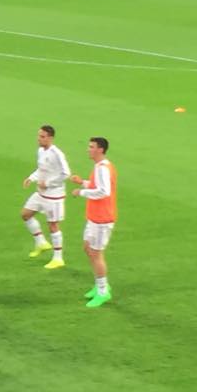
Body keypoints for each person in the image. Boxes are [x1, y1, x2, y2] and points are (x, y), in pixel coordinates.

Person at [70, 137, 117, 308]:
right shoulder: (99, 166)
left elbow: (104, 191)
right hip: (94, 217)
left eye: (91, 147)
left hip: (102, 218)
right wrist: (82, 182)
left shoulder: (103, 168)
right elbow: (96, 184)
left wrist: (81, 192)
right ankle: (100, 285)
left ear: (100, 150)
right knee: (88, 248)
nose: (88, 149)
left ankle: (103, 291)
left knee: (96, 254)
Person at [21, 125, 71, 269]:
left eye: (42, 137)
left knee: (53, 225)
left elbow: (66, 173)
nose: (39, 139)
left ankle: (58, 258)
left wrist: (48, 183)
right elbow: (42, 169)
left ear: (50, 138)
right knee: (25, 214)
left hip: (54, 196)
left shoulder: (57, 154)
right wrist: (31, 178)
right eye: (39, 136)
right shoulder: (41, 151)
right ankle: (41, 242)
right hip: (40, 193)